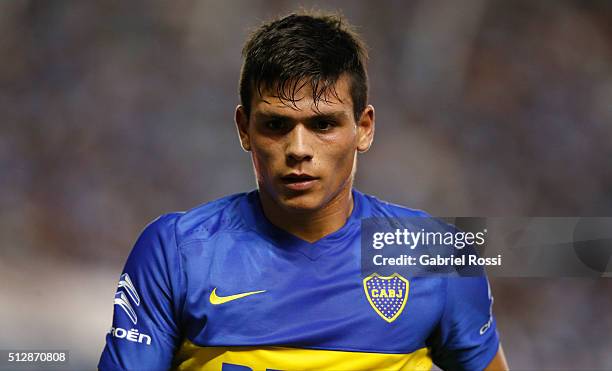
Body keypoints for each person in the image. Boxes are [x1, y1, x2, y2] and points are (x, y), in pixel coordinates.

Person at [98, 11, 508, 371]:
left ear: (363, 128)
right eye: (276, 125)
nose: (298, 150)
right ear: (244, 129)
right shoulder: (176, 252)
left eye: (323, 125)